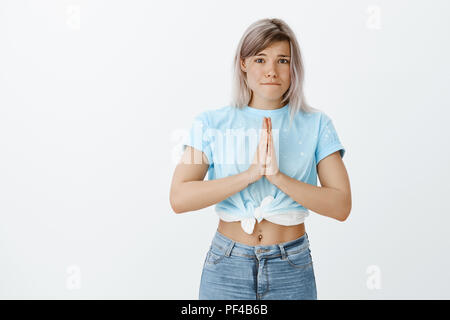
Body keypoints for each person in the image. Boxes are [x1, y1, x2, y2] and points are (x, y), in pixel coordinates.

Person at [169, 18, 351, 300]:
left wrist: (277, 177)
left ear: (293, 68)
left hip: (291, 266)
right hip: (226, 266)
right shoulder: (208, 124)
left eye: (282, 60)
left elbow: (341, 205)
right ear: (243, 64)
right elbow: (179, 197)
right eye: (260, 59)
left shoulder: (317, 125)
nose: (271, 71)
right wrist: (252, 174)